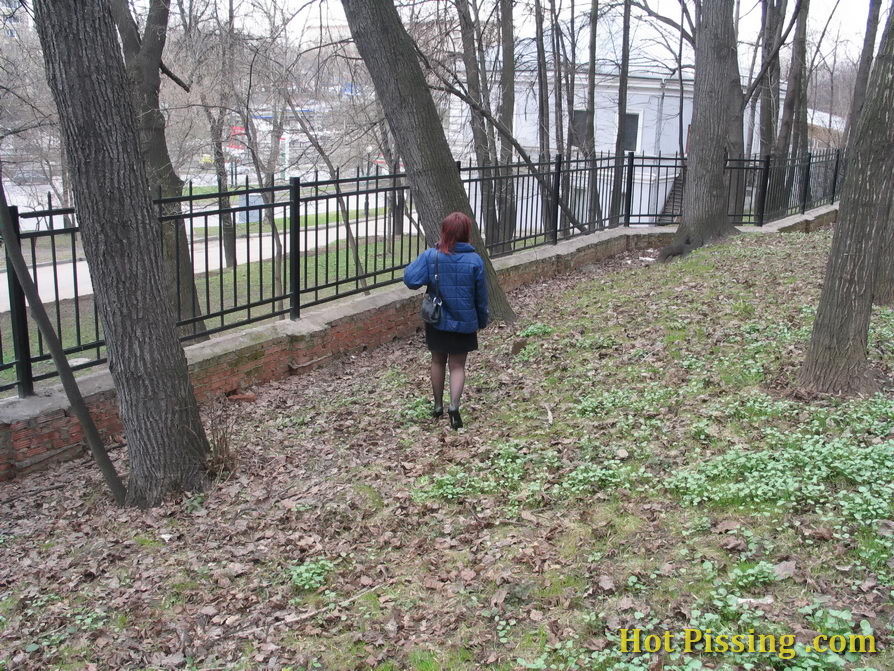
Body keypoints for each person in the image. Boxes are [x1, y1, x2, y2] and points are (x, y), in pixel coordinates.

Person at [404, 212, 489, 429]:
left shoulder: (432, 256)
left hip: (437, 320)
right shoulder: (475, 260)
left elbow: (411, 280)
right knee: (458, 365)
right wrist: (481, 319)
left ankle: (437, 405)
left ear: (445, 232)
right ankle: (454, 407)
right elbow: (481, 296)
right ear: (466, 233)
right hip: (465, 320)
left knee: (437, 361)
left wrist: (429, 260)